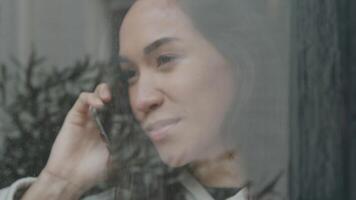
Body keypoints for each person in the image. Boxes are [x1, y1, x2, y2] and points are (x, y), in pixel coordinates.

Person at [0, 0, 287, 199]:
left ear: (238, 60)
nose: (141, 99)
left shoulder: (319, 177)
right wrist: (58, 184)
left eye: (165, 59)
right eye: (130, 75)